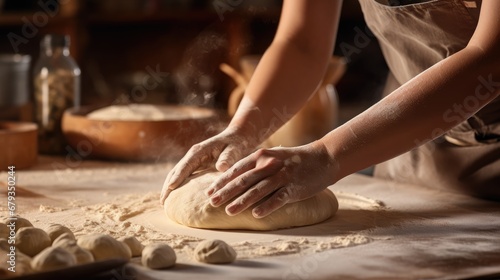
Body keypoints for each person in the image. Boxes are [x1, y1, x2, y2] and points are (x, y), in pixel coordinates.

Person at [161, 0, 500, 219]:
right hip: (404, 142)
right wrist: (244, 129)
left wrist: (327, 156)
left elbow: (491, 59)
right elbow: (302, 42)